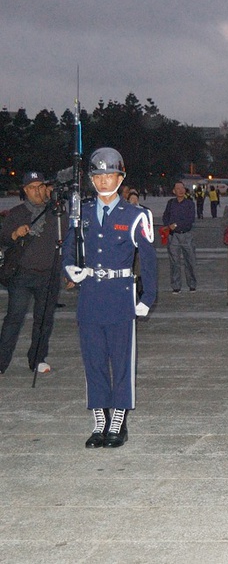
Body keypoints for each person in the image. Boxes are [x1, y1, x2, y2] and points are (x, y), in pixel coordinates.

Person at [62, 148, 158, 448]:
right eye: (98, 176)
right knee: (93, 360)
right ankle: (99, 419)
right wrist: (70, 268)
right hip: (90, 295)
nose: (104, 182)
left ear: (121, 177)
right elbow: (68, 247)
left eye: (110, 175)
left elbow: (150, 259)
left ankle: (118, 416)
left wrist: (148, 297)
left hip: (120, 296)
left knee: (122, 360)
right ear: (92, 179)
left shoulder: (136, 215)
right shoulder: (82, 213)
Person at [0, 172, 67, 375]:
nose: (37, 191)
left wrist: (67, 272)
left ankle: (37, 359)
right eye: (32, 187)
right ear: (25, 191)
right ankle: (2, 361)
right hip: (21, 275)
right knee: (14, 318)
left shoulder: (56, 213)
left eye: (40, 186)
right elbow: (3, 238)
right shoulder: (17, 212)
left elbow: (66, 241)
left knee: (44, 319)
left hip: (49, 275)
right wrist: (15, 234)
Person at [162, 182, 198, 293]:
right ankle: (176, 286)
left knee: (190, 260)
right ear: (174, 191)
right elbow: (165, 217)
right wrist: (169, 225)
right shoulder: (171, 203)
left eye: (182, 188)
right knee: (174, 262)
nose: (181, 190)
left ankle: (192, 284)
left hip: (186, 235)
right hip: (173, 237)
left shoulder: (189, 203)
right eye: (178, 188)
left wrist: (176, 225)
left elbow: (190, 219)